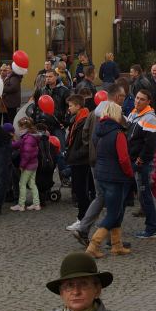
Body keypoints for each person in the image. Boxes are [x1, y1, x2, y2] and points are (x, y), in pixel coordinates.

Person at [86, 102, 135, 258]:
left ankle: (116, 244)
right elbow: (124, 159)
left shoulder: (100, 131)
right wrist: (129, 173)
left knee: (117, 210)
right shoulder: (118, 134)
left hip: (101, 175)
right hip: (115, 177)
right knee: (113, 213)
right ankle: (94, 244)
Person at [42, 252, 132, 311]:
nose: (76, 292)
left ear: (97, 290)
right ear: (61, 293)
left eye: (83, 284)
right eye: (69, 285)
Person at [126, 88, 156, 238]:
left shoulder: (150, 118)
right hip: (131, 159)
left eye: (141, 99)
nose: (137, 101)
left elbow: (150, 143)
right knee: (141, 194)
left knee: (145, 194)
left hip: (140, 163)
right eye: (137, 98)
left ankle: (152, 228)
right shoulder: (133, 112)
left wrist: (141, 159)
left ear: (148, 102)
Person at [66, 94, 93, 222]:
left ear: (78, 106)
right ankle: (84, 216)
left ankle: (83, 217)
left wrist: (75, 154)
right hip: (76, 159)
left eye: (71, 106)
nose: (69, 108)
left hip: (80, 160)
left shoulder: (84, 120)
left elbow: (86, 143)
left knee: (81, 189)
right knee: (78, 188)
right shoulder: (77, 119)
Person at [11, 117, 41, 211]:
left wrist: (22, 165)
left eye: (20, 128)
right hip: (34, 164)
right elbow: (19, 144)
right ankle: (36, 203)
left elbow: (27, 155)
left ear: (24, 128)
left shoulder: (27, 139)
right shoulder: (30, 137)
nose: (19, 130)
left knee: (22, 184)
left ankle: (21, 204)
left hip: (28, 166)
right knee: (32, 184)